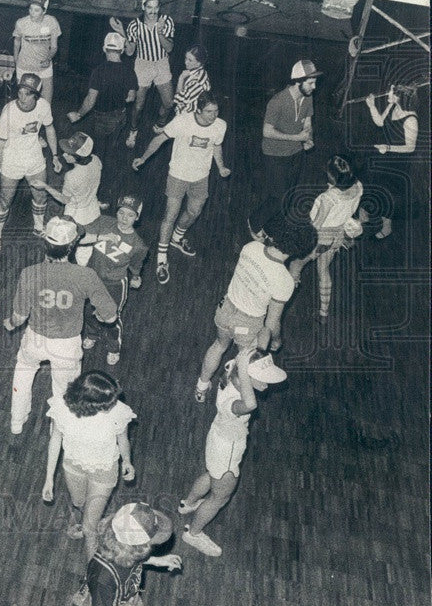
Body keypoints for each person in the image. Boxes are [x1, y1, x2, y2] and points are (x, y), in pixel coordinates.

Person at [4, 216, 117, 435]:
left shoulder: (29, 273)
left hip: (35, 338)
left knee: (23, 374)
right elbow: (110, 316)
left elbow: (18, 317)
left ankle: (16, 422)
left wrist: (9, 324)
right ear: (73, 244)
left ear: (45, 243)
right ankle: (58, 427)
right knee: (64, 389)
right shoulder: (85, 276)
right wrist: (101, 316)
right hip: (67, 344)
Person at [194, 214, 316, 403]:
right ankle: (229, 393)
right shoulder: (284, 281)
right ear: (298, 249)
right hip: (249, 324)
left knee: (218, 346)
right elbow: (272, 322)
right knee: (245, 364)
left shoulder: (250, 248)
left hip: (225, 309)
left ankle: (201, 387)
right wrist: (276, 341)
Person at [179, 349, 287, 557]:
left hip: (217, 439)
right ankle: (193, 533)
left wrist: (245, 365)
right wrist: (247, 373)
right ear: (245, 376)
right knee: (219, 497)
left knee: (212, 475)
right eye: (263, 380)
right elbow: (251, 404)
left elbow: (257, 346)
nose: (267, 385)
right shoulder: (235, 402)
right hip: (227, 450)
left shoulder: (231, 370)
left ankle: (189, 503)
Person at [132, 90, 230, 285]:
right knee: (170, 215)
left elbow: (216, 146)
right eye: (209, 112)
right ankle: (161, 260)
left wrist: (221, 167)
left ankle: (177, 238)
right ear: (198, 109)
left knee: (194, 212)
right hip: (177, 175)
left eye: (216, 111)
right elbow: (159, 139)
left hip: (201, 177)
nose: (214, 115)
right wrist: (143, 158)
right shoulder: (182, 121)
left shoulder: (220, 125)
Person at [42, 371, 136, 559]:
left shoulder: (118, 411)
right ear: (89, 402)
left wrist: (127, 461)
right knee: (79, 503)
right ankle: (92, 519)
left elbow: (123, 439)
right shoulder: (61, 407)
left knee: (89, 529)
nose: (113, 405)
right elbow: (55, 440)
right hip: (73, 466)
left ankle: (92, 578)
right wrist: (49, 479)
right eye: (107, 403)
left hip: (104, 469)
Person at [78, 502, 180, 606]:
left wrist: (157, 561)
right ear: (138, 547)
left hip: (132, 601)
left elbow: (133, 558)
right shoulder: (102, 575)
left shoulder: (122, 546)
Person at [248, 60, 319, 237]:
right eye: (310, 82)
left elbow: (308, 122)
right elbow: (267, 132)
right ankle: (254, 222)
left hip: (296, 153)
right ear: (298, 81)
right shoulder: (277, 102)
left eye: (314, 82)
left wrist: (308, 137)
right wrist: (296, 138)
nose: (314, 86)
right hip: (275, 154)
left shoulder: (308, 97)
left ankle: (270, 228)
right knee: (278, 197)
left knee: (288, 195)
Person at [0, 73, 61, 252]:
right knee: (5, 200)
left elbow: (50, 128)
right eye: (20, 92)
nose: (22, 97)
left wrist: (55, 155)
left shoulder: (44, 106)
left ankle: (38, 227)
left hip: (34, 158)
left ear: (36, 96)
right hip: (11, 161)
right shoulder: (8, 111)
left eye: (28, 94)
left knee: (40, 196)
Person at [288, 155, 363, 321]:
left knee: (296, 264)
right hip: (337, 237)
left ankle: (283, 300)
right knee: (323, 270)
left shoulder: (328, 198)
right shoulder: (358, 186)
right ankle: (324, 313)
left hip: (320, 240)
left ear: (332, 177)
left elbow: (316, 225)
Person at [75, 195, 148, 365]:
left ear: (137, 218)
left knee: (112, 317)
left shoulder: (138, 245)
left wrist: (136, 277)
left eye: (130, 215)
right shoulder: (104, 222)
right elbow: (80, 232)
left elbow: (136, 266)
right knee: (91, 310)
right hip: (93, 277)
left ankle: (114, 347)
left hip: (115, 284)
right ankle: (92, 334)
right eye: (121, 212)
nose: (124, 218)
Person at [114, 0, 175, 149]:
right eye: (149, 7)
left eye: (156, 7)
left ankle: (160, 124)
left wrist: (160, 31)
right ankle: (133, 130)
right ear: (143, 6)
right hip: (143, 64)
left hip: (161, 62)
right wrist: (122, 33)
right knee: (138, 105)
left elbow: (169, 48)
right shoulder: (135, 25)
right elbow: (129, 52)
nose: (153, 11)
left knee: (169, 103)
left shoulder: (166, 21)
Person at [67, 32, 136, 165]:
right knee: (111, 145)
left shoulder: (98, 71)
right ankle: (109, 169)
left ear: (104, 49)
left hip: (102, 118)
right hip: (120, 116)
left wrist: (78, 114)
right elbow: (131, 98)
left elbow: (90, 100)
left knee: (98, 150)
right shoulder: (129, 71)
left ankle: (98, 169)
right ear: (121, 50)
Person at [364, 84, 419, 240]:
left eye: (392, 92)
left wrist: (387, 147)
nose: (388, 93)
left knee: (387, 194)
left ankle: (387, 227)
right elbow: (380, 122)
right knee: (375, 185)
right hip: (384, 154)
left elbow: (410, 148)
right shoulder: (392, 105)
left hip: (397, 162)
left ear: (400, 97)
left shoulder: (411, 120)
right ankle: (367, 213)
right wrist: (371, 106)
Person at [35, 132, 103, 231]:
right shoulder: (96, 160)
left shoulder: (71, 176)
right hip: (93, 210)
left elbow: (65, 200)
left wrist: (45, 186)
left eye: (68, 153)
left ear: (77, 157)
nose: (64, 154)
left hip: (75, 217)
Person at [13, 0, 62, 106]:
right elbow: (17, 42)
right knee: (24, 101)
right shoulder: (21, 23)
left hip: (44, 67)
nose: (32, 13)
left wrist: (48, 58)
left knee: (46, 102)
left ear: (44, 11)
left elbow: (54, 47)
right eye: (30, 9)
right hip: (25, 66)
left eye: (36, 10)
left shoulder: (52, 22)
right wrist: (15, 61)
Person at [159, 44, 211, 132]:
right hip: (188, 113)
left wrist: (181, 79)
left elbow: (178, 99)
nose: (186, 62)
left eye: (190, 60)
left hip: (190, 118)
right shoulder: (197, 72)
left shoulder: (196, 80)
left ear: (199, 63)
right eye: (186, 58)